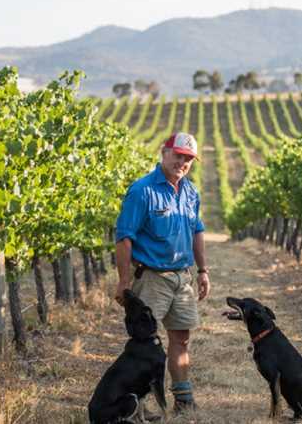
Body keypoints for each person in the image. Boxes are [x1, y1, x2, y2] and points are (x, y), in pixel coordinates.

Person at [114, 131, 210, 414]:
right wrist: (123, 281)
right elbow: (124, 237)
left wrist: (203, 270)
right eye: (179, 155)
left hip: (183, 278)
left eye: (189, 159)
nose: (183, 162)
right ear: (164, 152)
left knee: (181, 338)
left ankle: (183, 399)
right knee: (143, 342)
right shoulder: (142, 191)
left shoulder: (191, 192)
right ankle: (136, 404)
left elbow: (197, 232)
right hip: (152, 278)